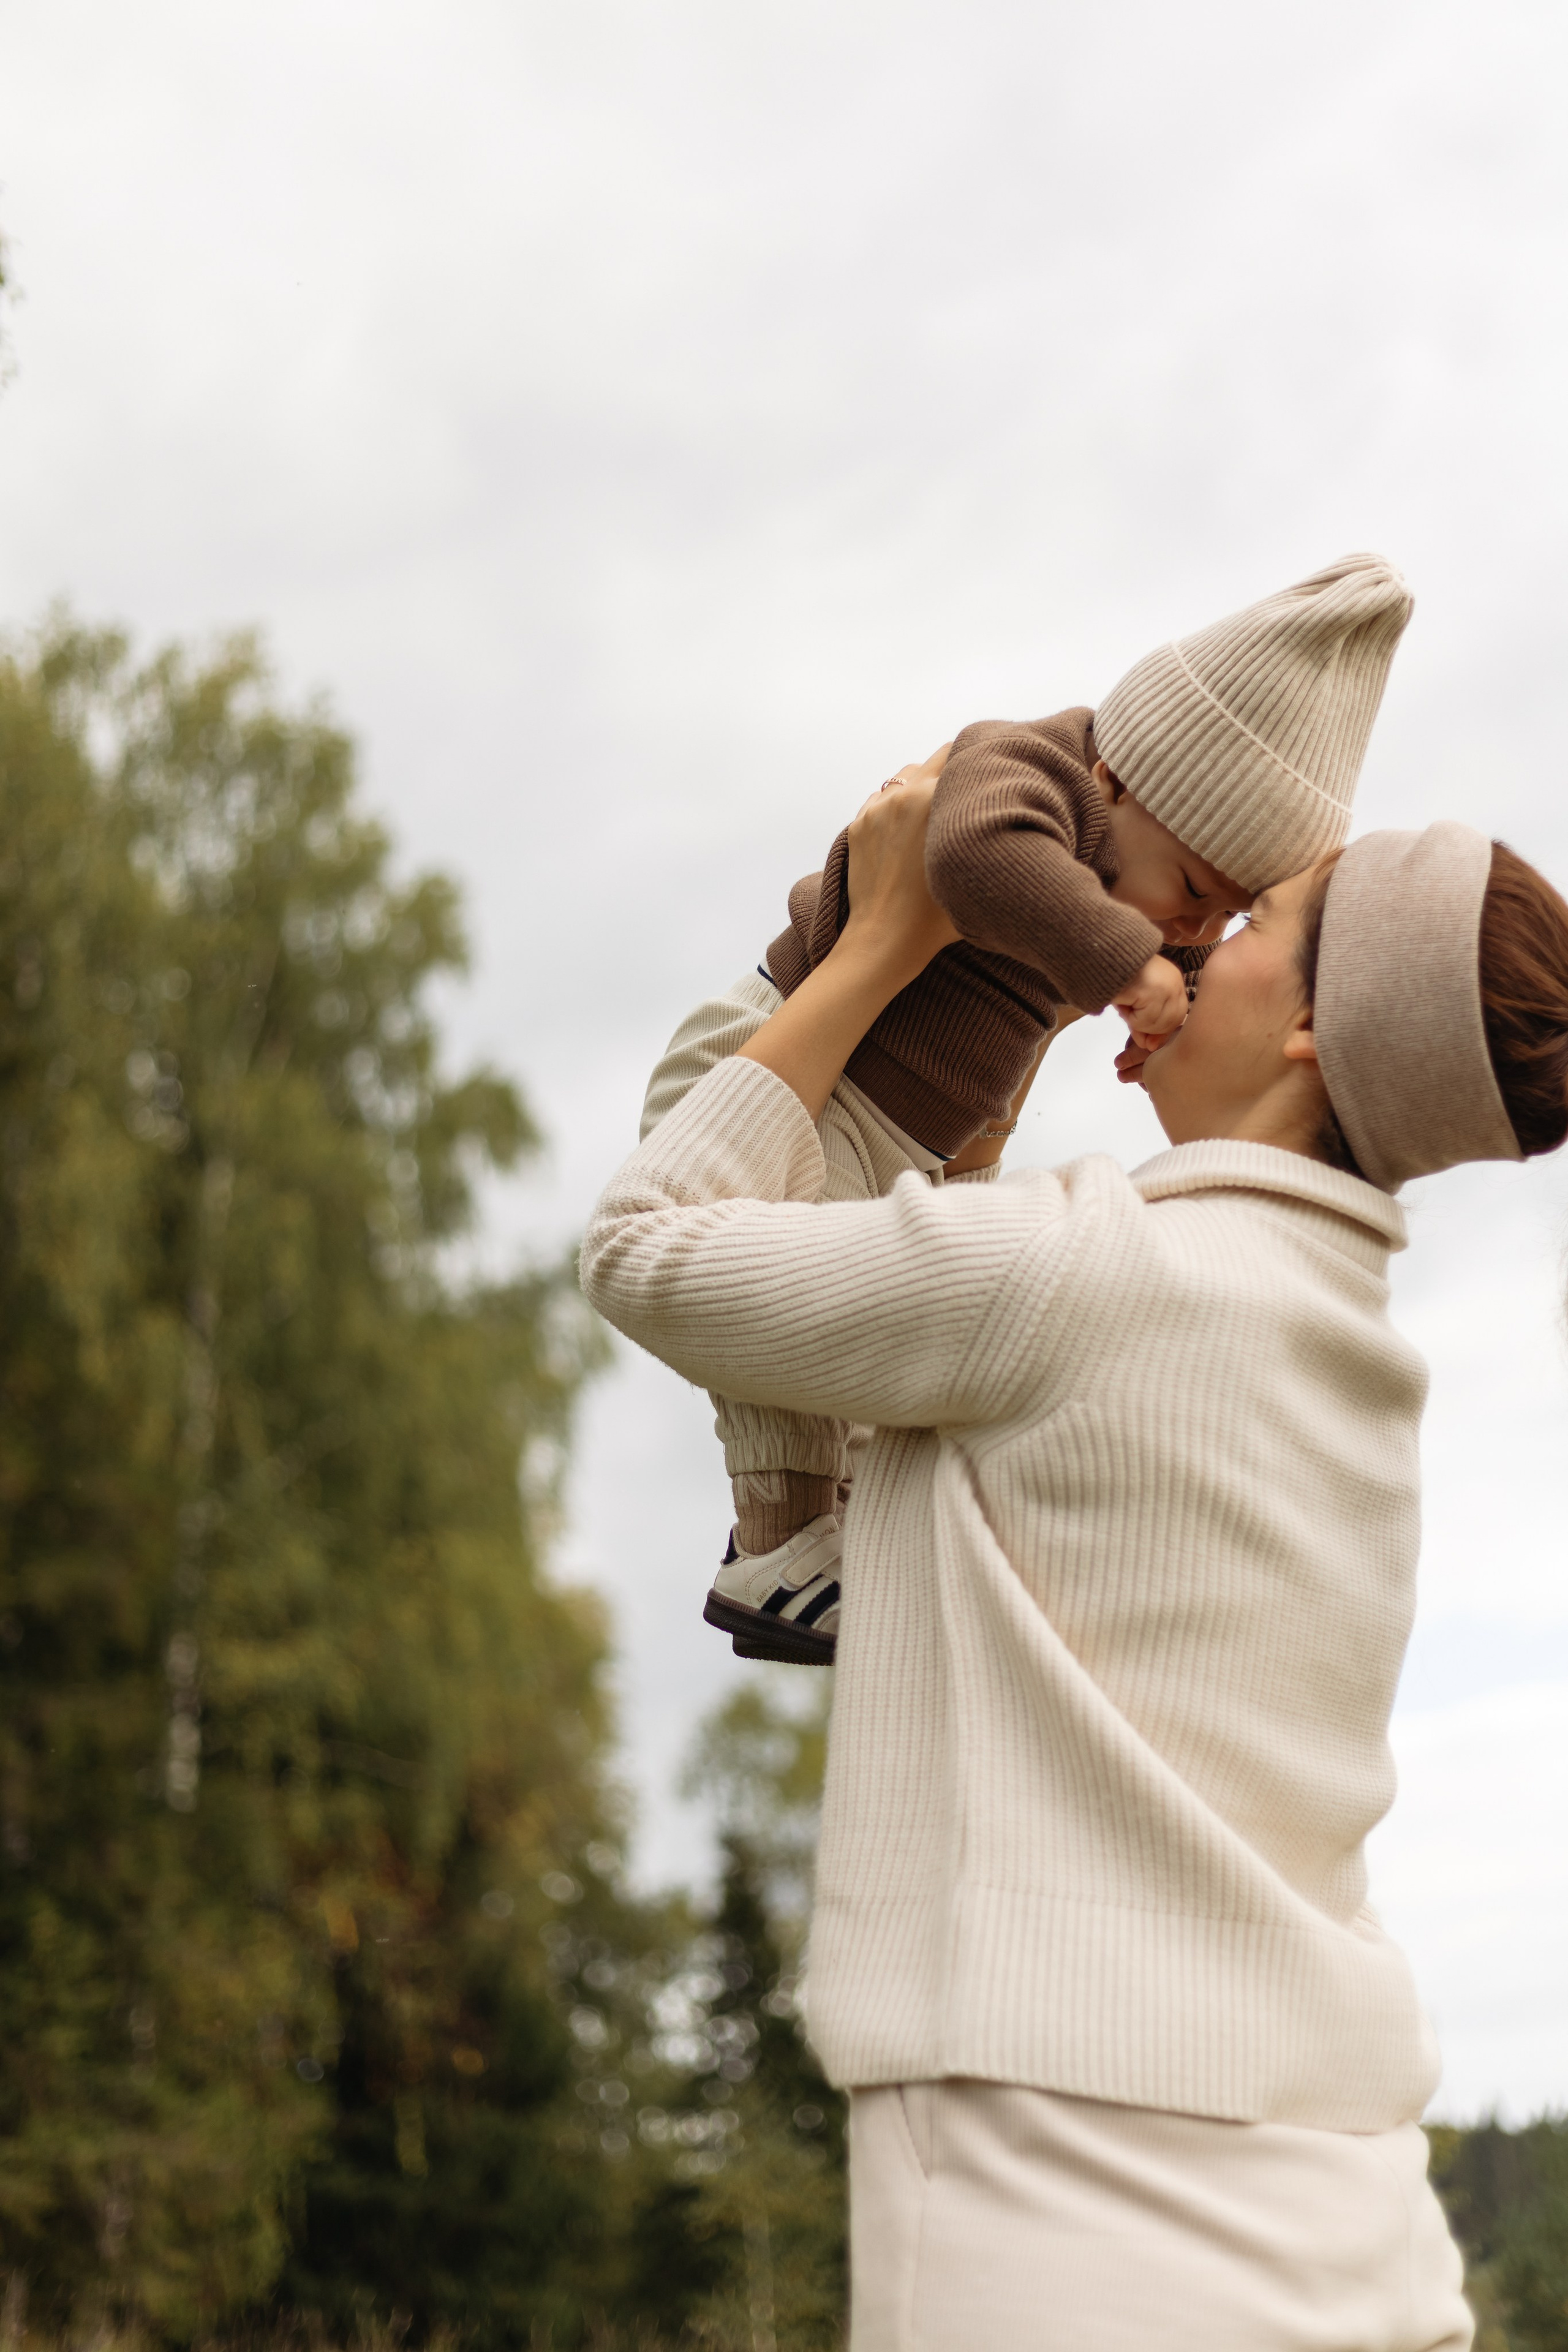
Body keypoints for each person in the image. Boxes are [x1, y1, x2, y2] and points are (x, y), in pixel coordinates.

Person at [583, 775, 1568, 2350]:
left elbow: (648, 1246)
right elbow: (955, 1361)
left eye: (1254, 924)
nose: (1185, 943)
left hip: (1058, 2199)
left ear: (1311, 1028)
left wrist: (878, 944)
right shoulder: (1346, 1354)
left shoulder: (1087, 1270)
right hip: (1359, 2224)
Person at [639, 553, 1414, 1660]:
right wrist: (1125, 962)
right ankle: (779, 1548)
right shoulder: (1032, 773)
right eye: (1195, 893)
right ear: (1120, 783)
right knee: (786, 1324)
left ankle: (831, 1542)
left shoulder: (1134, 875)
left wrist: (1176, 1007)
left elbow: (1158, 953)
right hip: (781, 1075)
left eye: (1229, 916)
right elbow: (972, 854)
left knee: (862, 1347)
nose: (1191, 934)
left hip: (890, 1128)